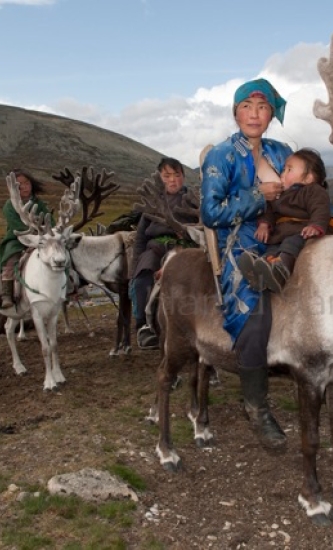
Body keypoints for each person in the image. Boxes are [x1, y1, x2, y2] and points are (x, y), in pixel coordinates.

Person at [200, 78, 291, 449]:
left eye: (263, 107)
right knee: (255, 315)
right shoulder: (221, 156)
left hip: (286, 237)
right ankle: (257, 408)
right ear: (236, 112)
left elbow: (304, 191)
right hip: (240, 246)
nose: (255, 114)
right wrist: (258, 198)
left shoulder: (282, 151)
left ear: (272, 114)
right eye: (247, 107)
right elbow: (210, 211)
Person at [238, 147, 333, 293]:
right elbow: (269, 210)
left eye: (289, 170)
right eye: (283, 169)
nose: (282, 174)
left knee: (291, 244)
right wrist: (264, 224)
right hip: (280, 234)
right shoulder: (281, 194)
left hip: (301, 231)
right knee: (272, 248)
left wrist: (315, 225)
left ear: (308, 178)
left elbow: (320, 209)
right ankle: (262, 271)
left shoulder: (313, 191)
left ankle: (282, 270)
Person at [132, 157, 198, 349]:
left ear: (183, 177)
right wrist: (134, 268)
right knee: (142, 278)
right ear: (160, 178)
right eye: (167, 175)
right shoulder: (152, 202)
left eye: (177, 175)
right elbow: (140, 239)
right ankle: (144, 326)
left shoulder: (193, 201)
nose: (172, 180)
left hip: (183, 248)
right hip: (155, 249)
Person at [0, 169, 54, 309]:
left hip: (41, 237)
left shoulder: (39, 203)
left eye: (27, 183)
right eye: (19, 184)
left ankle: (69, 285)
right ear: (13, 188)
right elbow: (16, 225)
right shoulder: (9, 205)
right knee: (10, 260)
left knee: (58, 254)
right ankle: (7, 294)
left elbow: (49, 220)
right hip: (17, 239)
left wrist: (50, 230)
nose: (24, 187)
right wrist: (30, 234)